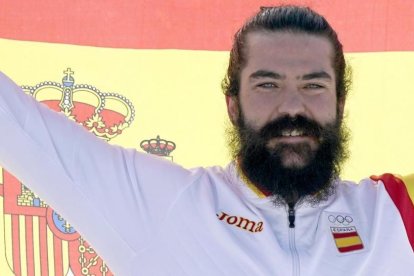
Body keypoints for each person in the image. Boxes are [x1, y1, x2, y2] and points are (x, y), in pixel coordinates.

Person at [0, 5, 413, 276]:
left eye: (313, 85)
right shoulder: (160, 205)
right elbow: (15, 125)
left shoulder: (392, 215)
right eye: (267, 84)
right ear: (233, 104)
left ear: (341, 103)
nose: (293, 108)